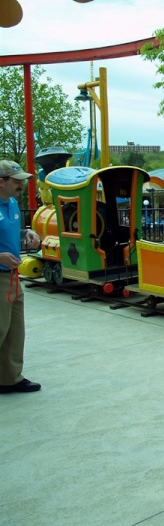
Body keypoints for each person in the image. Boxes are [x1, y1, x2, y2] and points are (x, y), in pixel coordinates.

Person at [0, 160, 41, 394]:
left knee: (15, 331)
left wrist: (27, 232)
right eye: (16, 182)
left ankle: (9, 378)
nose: (21, 186)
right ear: (0, 182)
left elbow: (9, 231)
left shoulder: (12, 204)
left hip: (13, 277)